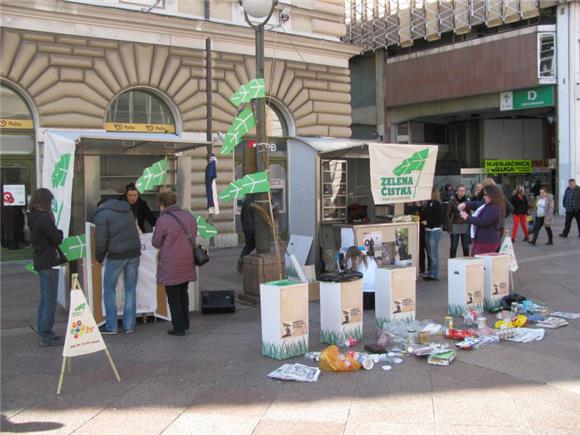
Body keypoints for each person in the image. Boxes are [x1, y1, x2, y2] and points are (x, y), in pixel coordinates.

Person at [152, 191, 197, 336]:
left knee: (173, 296)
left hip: (170, 264)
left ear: (162, 204)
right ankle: (185, 323)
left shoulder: (163, 220)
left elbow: (156, 242)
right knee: (183, 293)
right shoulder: (188, 216)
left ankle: (178, 328)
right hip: (187, 260)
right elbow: (194, 234)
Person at [95, 198, 141, 334]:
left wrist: (99, 257)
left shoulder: (102, 214)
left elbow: (100, 240)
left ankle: (112, 326)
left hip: (116, 255)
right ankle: (129, 325)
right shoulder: (127, 210)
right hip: (134, 253)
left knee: (109, 289)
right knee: (130, 289)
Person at [28, 188, 65, 346]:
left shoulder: (33, 216)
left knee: (44, 299)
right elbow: (57, 237)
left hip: (41, 260)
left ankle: (43, 331)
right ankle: (46, 335)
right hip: (49, 261)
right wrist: (60, 232)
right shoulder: (44, 218)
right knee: (49, 299)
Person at [459, 184, 504, 255]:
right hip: (483, 240)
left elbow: (483, 221)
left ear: (492, 195)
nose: (484, 196)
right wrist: (465, 204)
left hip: (487, 241)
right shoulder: (489, 204)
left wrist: (467, 217)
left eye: (486, 194)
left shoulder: (493, 208)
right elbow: (476, 204)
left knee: (479, 262)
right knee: (478, 262)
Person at [421, 188, 443, 281]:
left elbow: (438, 218)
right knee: (430, 252)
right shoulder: (429, 203)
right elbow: (424, 214)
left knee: (433, 253)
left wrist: (428, 222)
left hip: (434, 230)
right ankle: (431, 272)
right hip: (428, 230)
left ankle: (434, 274)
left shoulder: (437, 204)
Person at [445, 184, 470, 258]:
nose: (462, 192)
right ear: (456, 192)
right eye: (460, 191)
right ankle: (452, 263)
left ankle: (467, 263)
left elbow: (469, 214)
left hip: (465, 225)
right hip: (455, 225)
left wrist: (470, 225)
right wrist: (449, 226)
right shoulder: (452, 200)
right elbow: (447, 214)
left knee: (465, 247)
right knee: (454, 246)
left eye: (463, 191)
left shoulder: (467, 200)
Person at [237, 194, 256, 274]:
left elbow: (241, 216)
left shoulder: (245, 201)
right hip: (254, 228)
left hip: (246, 228)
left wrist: (244, 226)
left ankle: (242, 259)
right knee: (255, 245)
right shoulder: (255, 202)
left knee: (249, 245)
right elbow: (256, 216)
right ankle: (244, 261)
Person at [415, 200, 431, 275]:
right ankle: (422, 268)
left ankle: (429, 267)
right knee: (421, 251)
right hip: (421, 231)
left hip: (426, 230)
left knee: (428, 250)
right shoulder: (419, 208)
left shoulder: (429, 206)